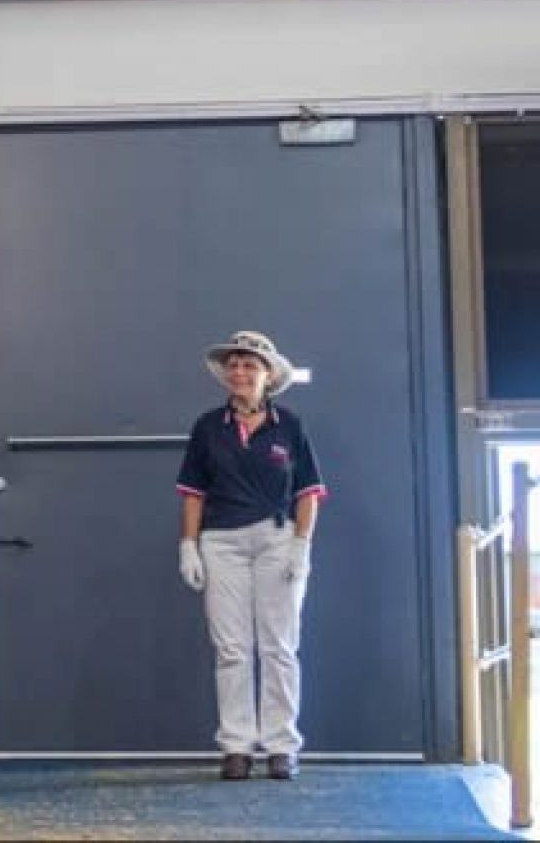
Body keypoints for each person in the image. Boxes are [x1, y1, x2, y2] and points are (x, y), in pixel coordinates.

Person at [175, 329, 327, 782]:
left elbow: (308, 493)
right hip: (220, 543)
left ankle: (281, 745)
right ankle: (237, 746)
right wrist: (189, 546)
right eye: (234, 365)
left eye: (250, 365)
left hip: (276, 540)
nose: (239, 372)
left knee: (279, 645)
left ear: (268, 374)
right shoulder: (207, 427)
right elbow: (192, 493)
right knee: (232, 648)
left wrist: (302, 546)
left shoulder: (291, 425)